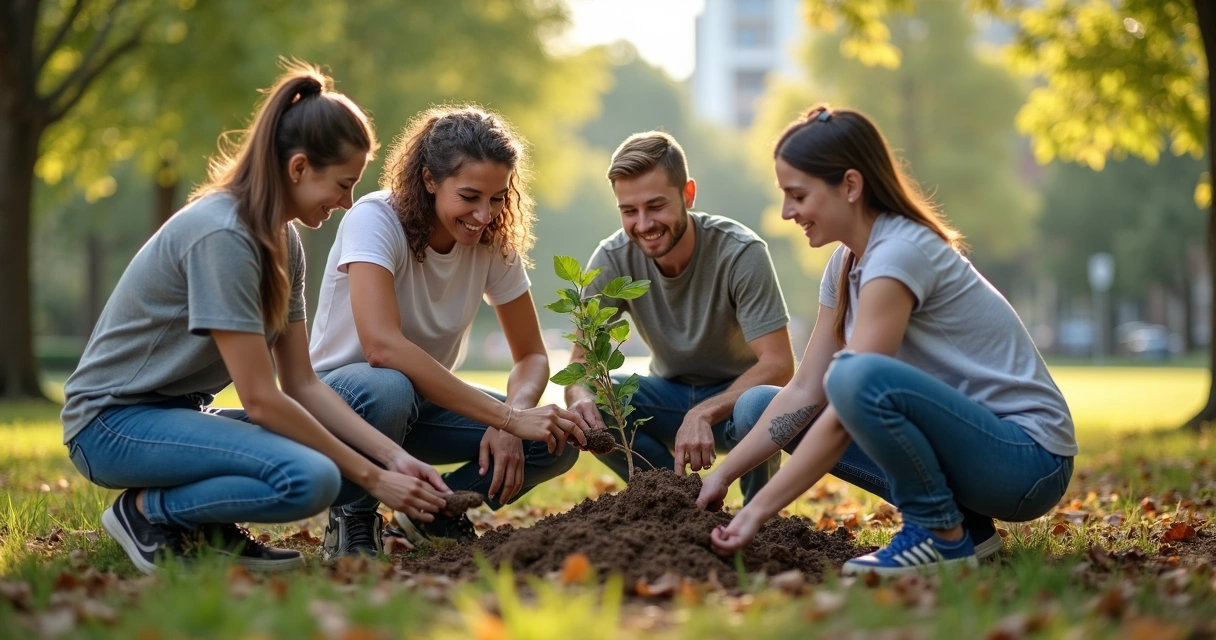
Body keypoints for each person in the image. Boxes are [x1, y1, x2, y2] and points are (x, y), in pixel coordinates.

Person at [61, 62, 455, 575]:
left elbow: (302, 384)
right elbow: (262, 399)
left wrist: (393, 459)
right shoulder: (223, 235)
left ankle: (203, 524)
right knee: (314, 478)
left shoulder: (285, 240)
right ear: (297, 168)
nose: (346, 202)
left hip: (179, 416)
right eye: (341, 184)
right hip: (110, 424)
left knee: (340, 457)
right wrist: (376, 480)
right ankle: (147, 514)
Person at [698, 106, 1076, 576]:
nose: (786, 212)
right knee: (758, 406)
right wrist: (722, 474)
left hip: (1027, 462)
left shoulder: (901, 252)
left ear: (851, 186)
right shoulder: (845, 265)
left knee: (857, 376)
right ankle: (965, 531)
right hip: (973, 448)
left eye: (798, 195)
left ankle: (936, 532)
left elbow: (848, 403)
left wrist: (757, 511)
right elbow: (804, 390)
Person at [308, 105, 588, 558]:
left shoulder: (493, 243)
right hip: (347, 403)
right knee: (389, 387)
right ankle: (353, 519)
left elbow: (532, 356)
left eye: (498, 198)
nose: (484, 214)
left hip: (421, 405)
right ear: (428, 180)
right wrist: (506, 418)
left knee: (553, 440)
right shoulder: (374, 219)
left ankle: (429, 514)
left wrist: (515, 417)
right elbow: (382, 347)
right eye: (470, 196)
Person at [564, 131, 795, 500]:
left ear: (688, 194)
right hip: (665, 398)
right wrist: (578, 396)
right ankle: (671, 500)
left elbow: (780, 365)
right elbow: (581, 362)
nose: (643, 224)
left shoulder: (740, 252)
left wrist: (703, 412)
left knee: (764, 402)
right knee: (596, 396)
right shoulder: (613, 258)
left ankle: (760, 517)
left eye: (656, 206)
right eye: (629, 211)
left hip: (737, 402)